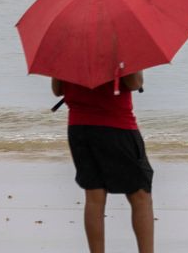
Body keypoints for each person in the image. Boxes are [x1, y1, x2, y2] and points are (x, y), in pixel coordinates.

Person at [52, 72, 154, 253]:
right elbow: (134, 83)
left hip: (79, 128)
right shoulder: (120, 44)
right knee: (140, 194)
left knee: (94, 196)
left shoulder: (66, 46)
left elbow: (57, 90)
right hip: (116, 125)